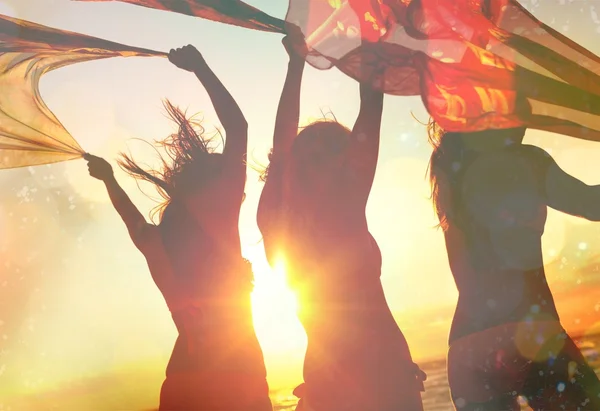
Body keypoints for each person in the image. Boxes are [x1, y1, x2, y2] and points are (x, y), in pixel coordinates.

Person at [85, 45, 272, 411]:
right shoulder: (217, 221)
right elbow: (239, 127)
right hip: (238, 379)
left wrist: (110, 180)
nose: (238, 187)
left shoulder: (161, 242)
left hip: (187, 383)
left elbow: (133, 220)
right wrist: (200, 67)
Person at [256, 30, 426, 411]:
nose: (340, 163)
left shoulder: (276, 220)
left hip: (339, 382)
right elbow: (370, 106)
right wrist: (370, 37)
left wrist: (297, 64)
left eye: (337, 152)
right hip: (379, 379)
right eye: (330, 155)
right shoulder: (342, 208)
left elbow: (282, 148)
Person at [427, 122, 600, 410]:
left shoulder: (450, 167)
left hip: (468, 353)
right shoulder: (527, 160)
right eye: (519, 101)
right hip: (529, 336)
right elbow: (592, 203)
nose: (528, 114)